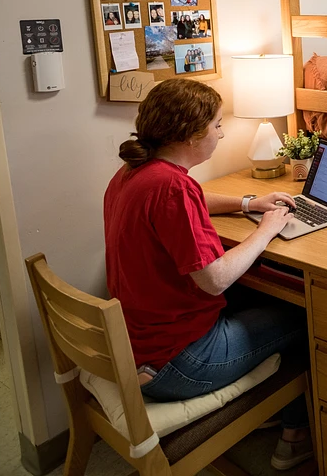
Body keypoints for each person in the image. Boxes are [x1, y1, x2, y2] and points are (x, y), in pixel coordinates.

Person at [105, 79, 313, 469]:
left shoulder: (136, 172)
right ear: (191, 135)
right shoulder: (170, 188)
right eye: (217, 124)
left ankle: (272, 412)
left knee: (259, 297)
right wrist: (265, 228)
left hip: (140, 343)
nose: (222, 132)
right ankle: (294, 438)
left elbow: (191, 200)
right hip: (180, 363)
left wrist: (249, 201)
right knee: (307, 318)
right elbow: (215, 279)